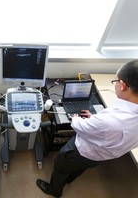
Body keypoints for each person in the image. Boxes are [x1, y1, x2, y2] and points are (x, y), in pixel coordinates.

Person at [36, 60, 138, 197]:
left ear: (124, 85)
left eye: (115, 81)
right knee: (80, 167)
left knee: (61, 164)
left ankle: (55, 190)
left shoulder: (107, 121)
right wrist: (95, 119)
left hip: (82, 151)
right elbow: (108, 125)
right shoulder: (115, 117)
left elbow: (79, 127)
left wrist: (76, 117)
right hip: (101, 156)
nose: (115, 83)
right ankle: (69, 179)